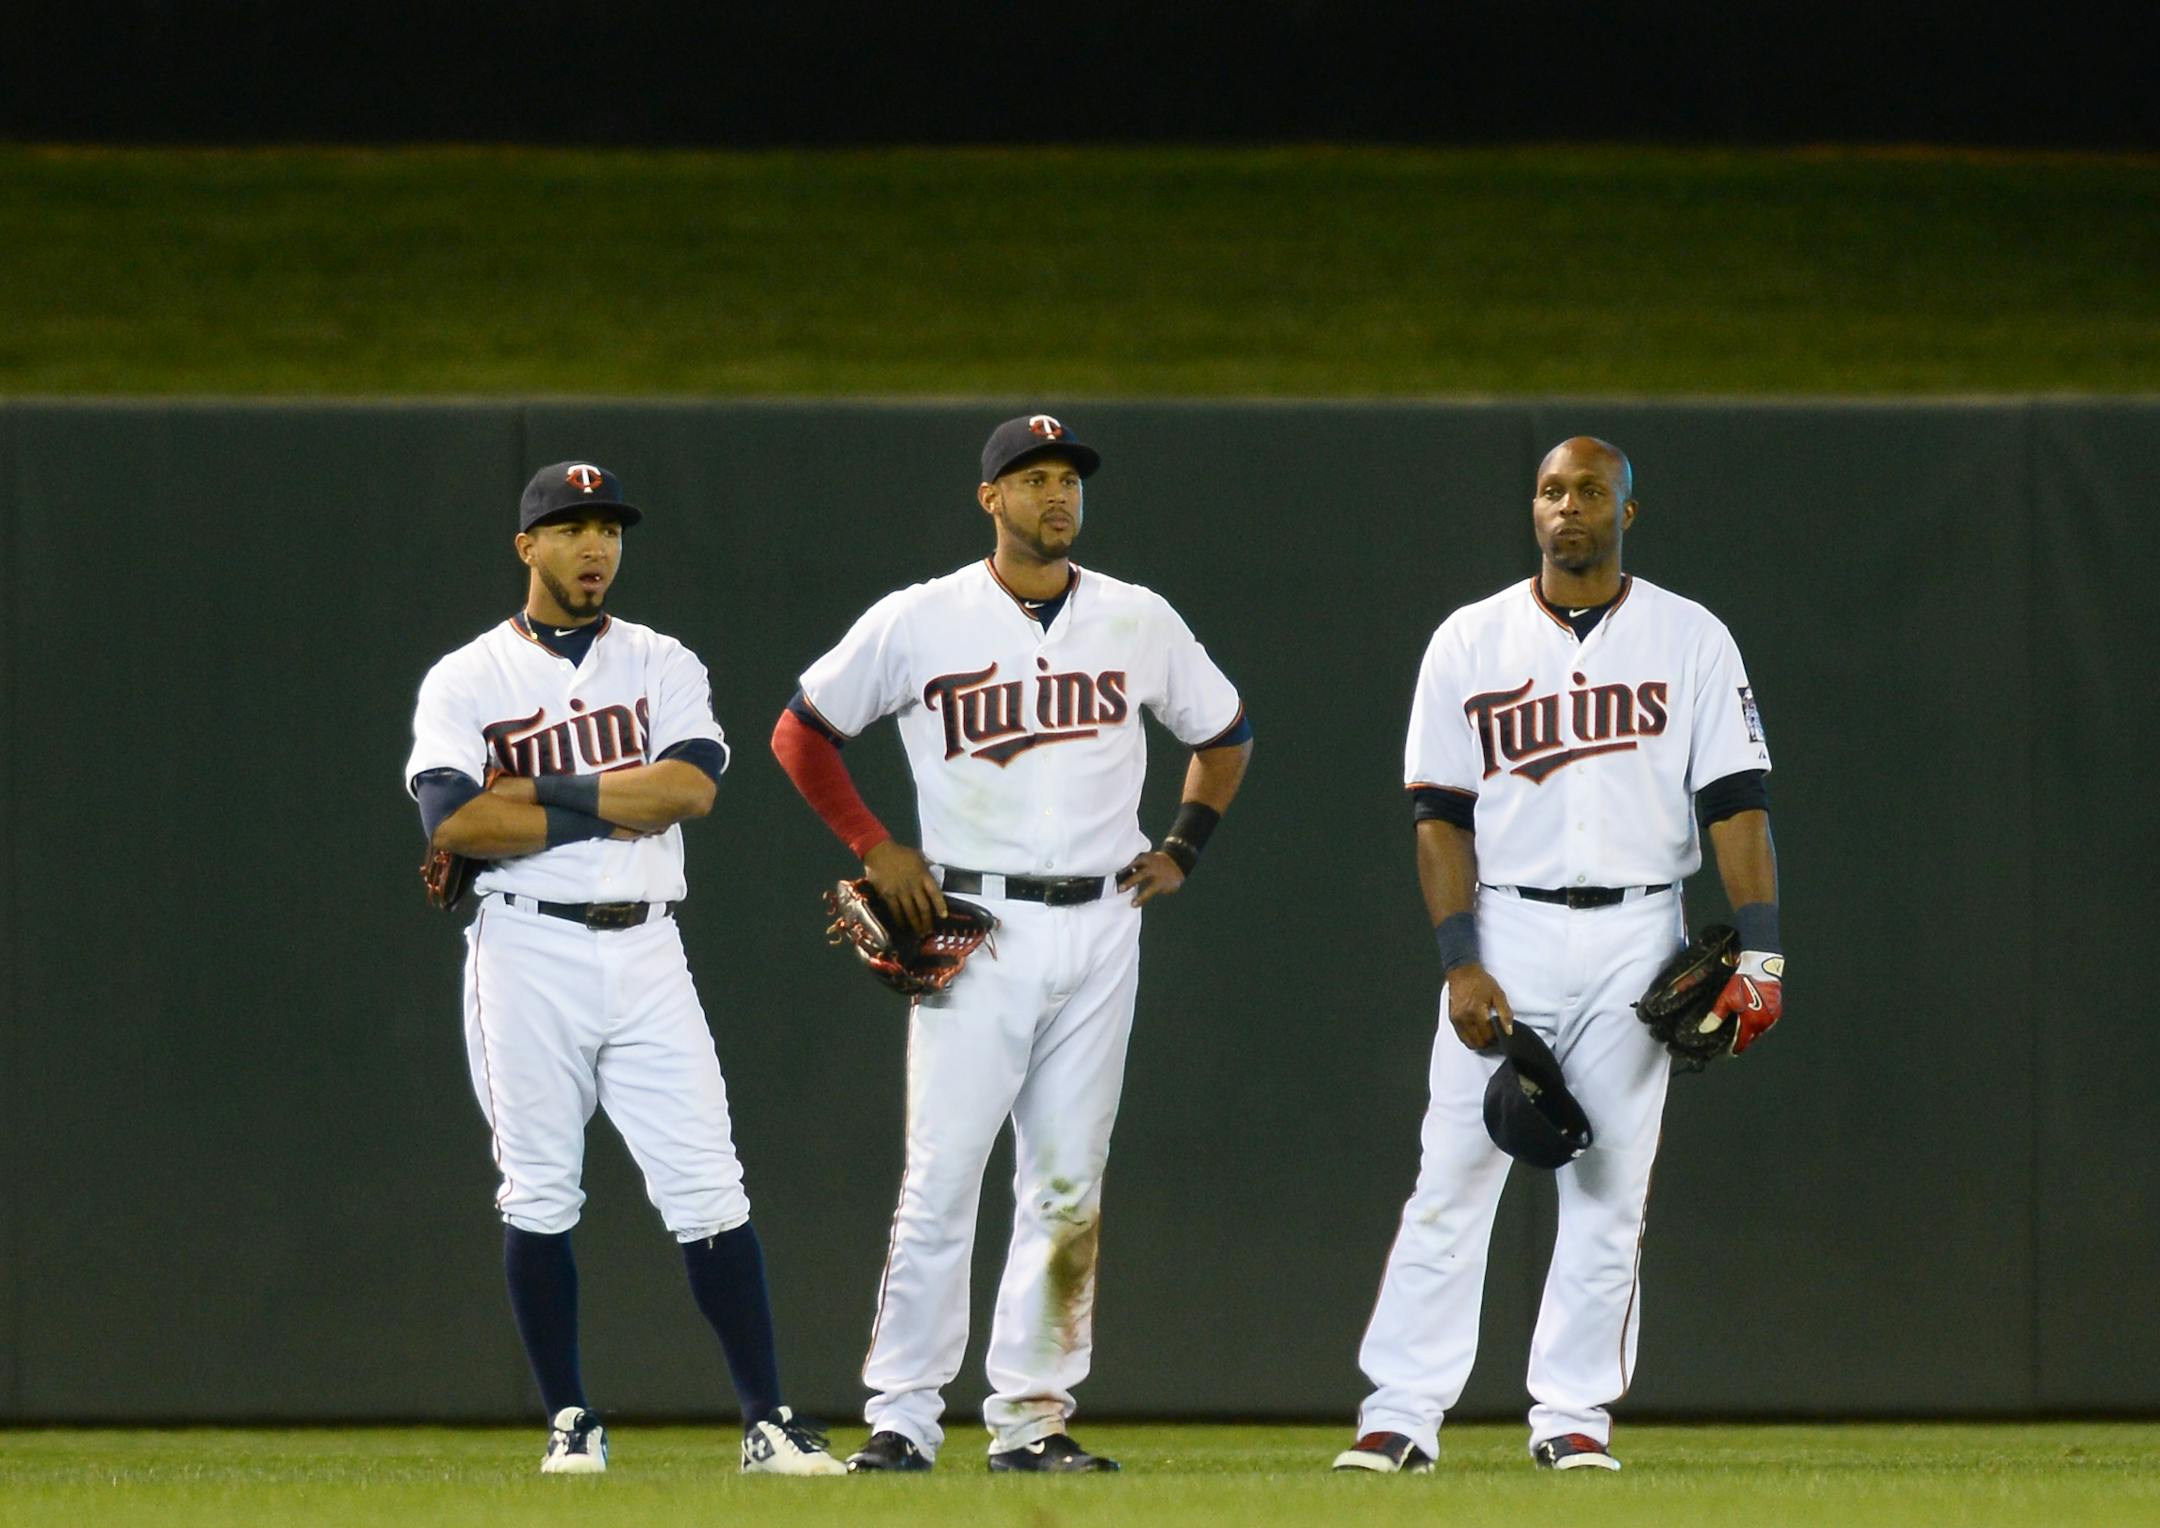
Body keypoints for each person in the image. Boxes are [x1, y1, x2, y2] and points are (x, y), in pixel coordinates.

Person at [771, 415, 1253, 1473]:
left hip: (1103, 920)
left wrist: (1183, 846)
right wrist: (874, 842)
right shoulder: (922, 619)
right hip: (974, 925)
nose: (1056, 496)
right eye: (1032, 478)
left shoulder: (1137, 618)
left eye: (1067, 479)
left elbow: (1223, 734)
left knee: (1070, 1181)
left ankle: (1033, 1418)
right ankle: (902, 1414)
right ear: (989, 498)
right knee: (942, 1174)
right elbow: (800, 731)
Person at [1333, 437, 1783, 1475]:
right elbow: (1439, 816)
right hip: (1509, 924)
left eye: (1588, 490)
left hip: (1641, 929)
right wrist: (1460, 958)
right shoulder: (1469, 639)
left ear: (1630, 507)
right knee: (1450, 1174)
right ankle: (1399, 1412)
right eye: (1549, 490)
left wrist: (1761, 952)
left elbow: (1736, 805)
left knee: (1611, 1188)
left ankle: (1573, 1414)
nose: (1566, 506)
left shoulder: (1691, 638)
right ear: (1531, 508)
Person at [404, 461, 844, 1478]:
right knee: (542, 1190)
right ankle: (570, 1417)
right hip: (525, 947)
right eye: (570, 527)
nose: (594, 545)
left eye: (607, 528)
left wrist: (541, 791)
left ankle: (767, 1420)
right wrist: (608, 795)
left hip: (649, 942)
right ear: (528, 546)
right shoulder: (468, 677)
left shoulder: (661, 660)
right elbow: (455, 819)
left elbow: (689, 790)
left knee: (708, 1187)